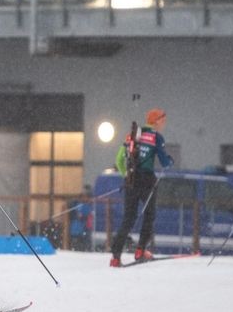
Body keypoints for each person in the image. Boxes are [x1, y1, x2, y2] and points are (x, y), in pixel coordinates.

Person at [109, 108, 173, 266]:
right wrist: (169, 161)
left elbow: (119, 160)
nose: (164, 124)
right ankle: (140, 249)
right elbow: (164, 162)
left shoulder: (133, 135)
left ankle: (116, 256)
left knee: (128, 218)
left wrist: (126, 175)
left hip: (131, 180)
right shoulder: (156, 137)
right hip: (147, 181)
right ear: (156, 121)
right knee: (149, 215)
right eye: (162, 121)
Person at [67, 185, 94, 252]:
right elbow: (75, 214)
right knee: (78, 243)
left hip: (85, 228)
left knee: (85, 242)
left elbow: (87, 215)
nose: (85, 198)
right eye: (83, 196)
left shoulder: (88, 205)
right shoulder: (77, 204)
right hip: (78, 229)